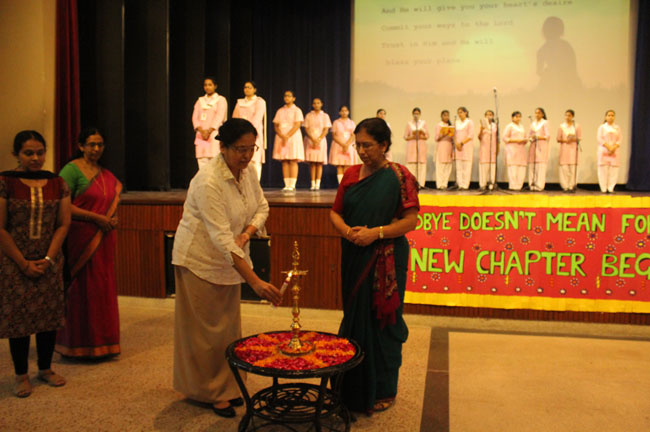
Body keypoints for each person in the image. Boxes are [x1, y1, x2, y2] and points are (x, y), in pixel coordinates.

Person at [172, 118, 281, 418]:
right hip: (199, 260)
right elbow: (221, 239)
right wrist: (255, 281)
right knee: (206, 333)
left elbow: (262, 207)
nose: (246, 156)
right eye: (239, 149)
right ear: (223, 147)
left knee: (227, 329)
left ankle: (228, 386)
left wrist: (246, 233)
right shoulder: (208, 180)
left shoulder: (248, 172)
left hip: (232, 259)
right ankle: (209, 392)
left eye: (251, 148)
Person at [330, 118, 419, 415]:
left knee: (384, 323)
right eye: (358, 145)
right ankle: (351, 386)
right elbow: (335, 213)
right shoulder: (350, 175)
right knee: (355, 318)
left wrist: (375, 233)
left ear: (384, 145)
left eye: (367, 145)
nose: (362, 151)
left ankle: (383, 387)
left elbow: (410, 221)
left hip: (387, 258)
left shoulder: (400, 176)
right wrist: (349, 233)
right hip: (353, 254)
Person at [0, 131, 71, 398]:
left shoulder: (57, 183)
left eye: (40, 152)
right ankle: (21, 375)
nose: (35, 158)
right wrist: (23, 262)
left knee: (48, 317)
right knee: (19, 319)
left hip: (49, 260)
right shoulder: (5, 182)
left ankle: (45, 369)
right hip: (14, 262)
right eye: (28, 153)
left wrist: (49, 259)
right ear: (16, 154)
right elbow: (1, 228)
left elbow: (63, 224)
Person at [55, 127, 122, 358]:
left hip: (104, 238)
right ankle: (76, 344)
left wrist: (111, 219)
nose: (96, 149)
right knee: (82, 289)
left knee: (101, 287)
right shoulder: (71, 170)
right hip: (81, 237)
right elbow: (63, 205)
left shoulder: (105, 174)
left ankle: (103, 343)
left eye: (100, 144)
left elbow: (110, 203)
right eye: (91, 144)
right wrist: (97, 218)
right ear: (81, 146)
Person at [232, 81, 267, 181]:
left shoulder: (259, 102)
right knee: (242, 159)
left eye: (249, 87)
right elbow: (235, 118)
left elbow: (257, 117)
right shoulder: (240, 102)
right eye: (245, 87)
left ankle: (255, 183)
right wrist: (239, 130)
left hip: (253, 133)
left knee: (254, 160)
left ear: (255, 90)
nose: (247, 89)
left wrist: (247, 130)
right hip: (240, 134)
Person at [192, 76, 228, 170]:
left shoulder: (220, 100)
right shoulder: (200, 101)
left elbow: (219, 117)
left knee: (214, 160)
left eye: (210, 85)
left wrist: (209, 131)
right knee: (202, 161)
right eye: (205, 85)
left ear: (215, 86)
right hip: (201, 135)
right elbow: (195, 117)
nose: (207, 87)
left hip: (213, 134)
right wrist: (201, 130)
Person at [272, 90, 304, 192]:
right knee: (284, 160)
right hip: (281, 137)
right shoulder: (280, 111)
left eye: (289, 96)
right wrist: (282, 135)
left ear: (293, 98)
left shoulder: (297, 110)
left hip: (293, 137)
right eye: (285, 96)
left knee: (293, 160)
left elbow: (297, 124)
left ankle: (292, 185)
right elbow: (276, 125)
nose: (287, 98)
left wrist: (288, 135)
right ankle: (286, 184)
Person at [303, 98, 331, 191]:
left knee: (319, 162)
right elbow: (306, 128)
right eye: (314, 103)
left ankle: (318, 184)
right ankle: (312, 183)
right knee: (312, 163)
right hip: (310, 140)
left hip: (321, 141)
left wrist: (318, 139)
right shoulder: (309, 115)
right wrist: (312, 139)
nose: (316, 105)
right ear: (312, 104)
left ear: (321, 104)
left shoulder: (325, 116)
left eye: (318, 103)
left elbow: (326, 129)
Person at [330, 105, 357, 184]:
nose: (344, 112)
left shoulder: (351, 122)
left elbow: (353, 135)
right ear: (339, 112)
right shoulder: (336, 122)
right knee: (339, 165)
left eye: (345, 111)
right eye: (342, 111)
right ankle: (340, 184)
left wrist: (347, 144)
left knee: (347, 165)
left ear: (348, 112)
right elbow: (334, 135)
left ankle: (346, 183)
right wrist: (342, 144)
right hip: (338, 145)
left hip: (349, 146)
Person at [556, 109, 582, 192]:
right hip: (564, 149)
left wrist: (573, 138)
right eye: (566, 115)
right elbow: (558, 139)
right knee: (564, 169)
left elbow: (579, 138)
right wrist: (566, 140)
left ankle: (571, 186)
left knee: (573, 169)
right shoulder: (561, 126)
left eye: (569, 115)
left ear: (572, 116)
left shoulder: (576, 126)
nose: (567, 117)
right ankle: (565, 186)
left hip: (573, 149)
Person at [597, 110, 621, 193]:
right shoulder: (602, 127)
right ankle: (603, 188)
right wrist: (608, 147)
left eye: (612, 115)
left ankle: (611, 188)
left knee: (613, 170)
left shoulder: (617, 128)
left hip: (614, 151)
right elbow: (600, 138)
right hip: (604, 150)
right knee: (603, 170)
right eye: (609, 115)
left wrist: (614, 147)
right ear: (606, 117)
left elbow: (619, 139)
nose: (611, 117)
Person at [502, 111, 528, 191]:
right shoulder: (509, 126)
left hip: (521, 150)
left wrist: (525, 140)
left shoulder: (522, 127)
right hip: (512, 149)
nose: (518, 118)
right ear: (512, 118)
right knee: (513, 168)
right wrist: (516, 140)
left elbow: (525, 137)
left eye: (519, 116)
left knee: (521, 169)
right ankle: (513, 186)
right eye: (516, 116)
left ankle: (519, 186)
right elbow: (505, 138)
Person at [404, 107, 429, 187]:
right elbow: (405, 136)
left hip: (421, 146)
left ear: (420, 114)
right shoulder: (409, 124)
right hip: (411, 147)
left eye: (417, 114)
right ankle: (412, 184)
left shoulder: (423, 123)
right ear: (412, 114)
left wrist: (420, 135)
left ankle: (421, 184)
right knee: (412, 165)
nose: (416, 115)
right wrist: (413, 136)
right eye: (415, 113)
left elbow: (427, 136)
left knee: (421, 165)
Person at [527, 107, 550, 191]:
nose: (537, 114)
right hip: (533, 145)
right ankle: (532, 184)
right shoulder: (533, 124)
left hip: (541, 146)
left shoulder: (545, 123)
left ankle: (539, 185)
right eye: (536, 113)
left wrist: (538, 137)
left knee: (540, 166)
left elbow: (547, 136)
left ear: (543, 114)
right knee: (532, 166)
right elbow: (529, 135)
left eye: (539, 113)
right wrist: (531, 138)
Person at [454, 107, 474, 190]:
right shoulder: (456, 123)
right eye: (458, 112)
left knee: (466, 167)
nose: (460, 114)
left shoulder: (469, 122)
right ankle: (460, 184)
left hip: (466, 147)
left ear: (466, 113)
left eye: (461, 112)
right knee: (459, 167)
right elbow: (454, 134)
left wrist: (461, 143)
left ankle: (465, 185)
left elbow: (470, 135)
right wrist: (456, 143)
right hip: (458, 147)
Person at [478, 110, 498, 190]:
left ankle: (491, 184)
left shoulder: (495, 125)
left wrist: (497, 148)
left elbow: (497, 138)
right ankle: (483, 184)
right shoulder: (482, 125)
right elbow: (479, 137)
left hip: (492, 148)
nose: (489, 116)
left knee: (492, 166)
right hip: (484, 148)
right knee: (484, 166)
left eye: (490, 114)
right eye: (487, 115)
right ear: (485, 116)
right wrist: (481, 129)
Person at [434, 110, 454, 190]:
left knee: (447, 166)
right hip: (441, 146)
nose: (446, 117)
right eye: (444, 115)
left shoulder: (451, 126)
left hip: (449, 146)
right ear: (441, 116)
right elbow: (436, 138)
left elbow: (453, 138)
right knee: (440, 166)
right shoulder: (438, 125)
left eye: (447, 115)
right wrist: (443, 134)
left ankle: (445, 184)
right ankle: (440, 184)